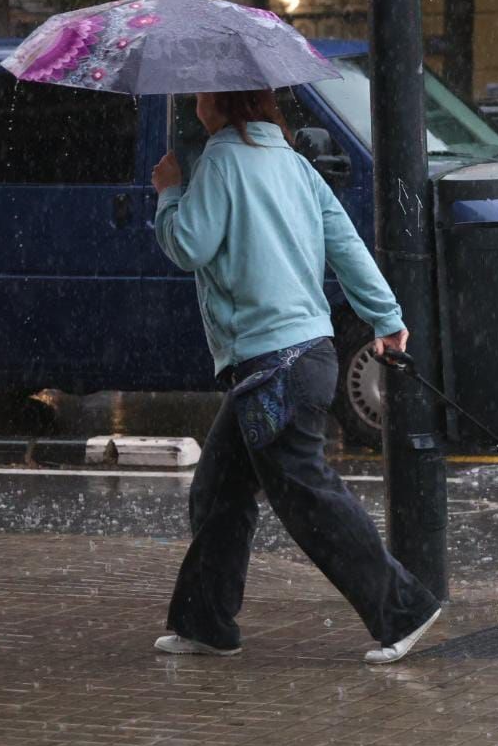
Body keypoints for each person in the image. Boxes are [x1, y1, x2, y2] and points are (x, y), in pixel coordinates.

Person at [150, 89, 441, 665]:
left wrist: (169, 193)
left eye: (204, 92)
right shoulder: (292, 161)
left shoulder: (221, 160)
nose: (195, 100)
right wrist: (386, 317)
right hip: (305, 356)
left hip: (272, 366)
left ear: (224, 102)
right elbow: (344, 243)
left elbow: (189, 244)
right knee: (220, 488)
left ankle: (403, 608)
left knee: (308, 497)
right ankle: (205, 621)